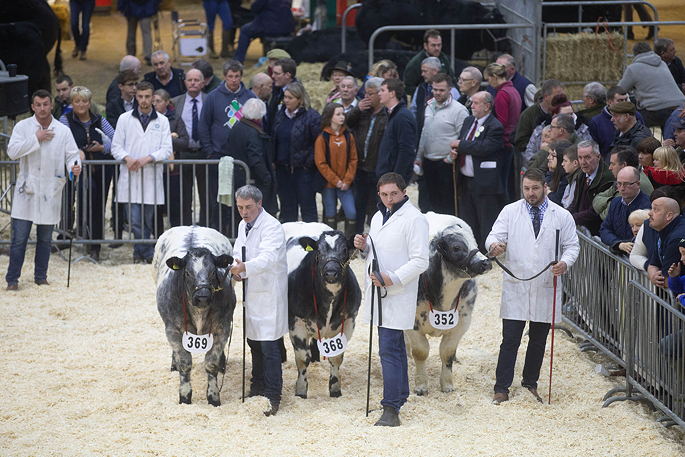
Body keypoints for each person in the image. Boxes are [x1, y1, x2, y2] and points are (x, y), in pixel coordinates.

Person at [485, 168, 579, 405]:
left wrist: (565, 263)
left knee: (538, 340)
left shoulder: (562, 215)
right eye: (526, 189)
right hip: (517, 283)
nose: (530, 193)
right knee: (510, 339)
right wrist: (495, 245)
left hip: (546, 283)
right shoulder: (510, 211)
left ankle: (530, 383)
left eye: (535, 188)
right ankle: (501, 387)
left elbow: (572, 246)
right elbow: (494, 235)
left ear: (545, 187)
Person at [353, 172, 429, 426]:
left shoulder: (415, 219)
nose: (388, 199)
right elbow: (378, 250)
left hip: (397, 292)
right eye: (384, 194)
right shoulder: (377, 217)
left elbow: (420, 260)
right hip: (379, 291)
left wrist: (392, 278)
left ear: (404, 192)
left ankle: (391, 408)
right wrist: (364, 247)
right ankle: (400, 395)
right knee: (393, 347)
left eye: (393, 194)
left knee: (388, 349)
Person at [5, 90, 81, 290]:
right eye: (37, 105)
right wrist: (36, 139)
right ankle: (12, 279)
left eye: (45, 104)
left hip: (50, 190)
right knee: (19, 239)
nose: (42, 108)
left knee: (45, 239)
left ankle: (41, 276)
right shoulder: (23, 127)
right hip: (27, 190)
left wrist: (74, 167)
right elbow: (12, 152)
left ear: (50, 105)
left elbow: (72, 155)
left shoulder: (62, 131)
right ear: (32, 106)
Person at [230, 185, 288, 417]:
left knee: (270, 345)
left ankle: (273, 394)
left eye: (249, 207)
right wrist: (236, 269)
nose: (244, 212)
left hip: (269, 293)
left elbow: (268, 258)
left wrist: (244, 267)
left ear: (259, 204)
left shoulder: (272, 226)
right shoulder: (243, 225)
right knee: (254, 342)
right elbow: (238, 250)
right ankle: (257, 385)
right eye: (240, 208)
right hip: (252, 292)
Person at [111, 81, 172, 263]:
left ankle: (139, 253)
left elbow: (166, 149)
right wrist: (127, 158)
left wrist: (149, 158)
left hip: (151, 175)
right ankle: (146, 253)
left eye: (147, 97)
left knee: (148, 218)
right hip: (130, 175)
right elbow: (116, 147)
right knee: (134, 219)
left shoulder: (162, 121)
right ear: (135, 96)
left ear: (153, 98)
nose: (144, 101)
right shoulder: (124, 119)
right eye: (140, 96)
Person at [59, 86, 116, 261]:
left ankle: (94, 246)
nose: (81, 104)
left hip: (100, 169)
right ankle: (66, 236)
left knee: (97, 205)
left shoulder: (100, 120)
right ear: (72, 103)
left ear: (90, 103)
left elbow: (116, 141)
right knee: (69, 202)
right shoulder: (65, 120)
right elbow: (61, 142)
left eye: (85, 101)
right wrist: (76, 152)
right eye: (77, 101)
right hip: (74, 169)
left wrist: (102, 147)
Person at [198, 60, 255, 230]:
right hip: (219, 156)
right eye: (230, 76)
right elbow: (203, 125)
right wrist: (209, 151)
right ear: (224, 77)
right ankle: (220, 230)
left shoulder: (250, 97)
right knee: (219, 199)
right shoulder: (213, 97)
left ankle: (238, 232)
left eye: (237, 76)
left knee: (241, 199)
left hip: (242, 158)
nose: (234, 80)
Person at [450, 91, 505, 251]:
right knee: (468, 217)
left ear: (487, 106)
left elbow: (485, 147)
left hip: (484, 181)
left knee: (485, 218)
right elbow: (463, 143)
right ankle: (471, 249)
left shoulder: (495, 126)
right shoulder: (468, 121)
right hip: (466, 178)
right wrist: (456, 152)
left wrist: (460, 145)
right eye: (471, 102)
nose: (471, 106)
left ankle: (486, 250)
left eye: (475, 103)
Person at [416, 72, 469, 215]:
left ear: (450, 90)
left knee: (445, 206)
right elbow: (423, 133)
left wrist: (450, 158)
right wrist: (418, 158)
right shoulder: (428, 106)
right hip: (427, 162)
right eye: (434, 89)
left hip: (446, 164)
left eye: (441, 90)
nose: (437, 93)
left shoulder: (459, 110)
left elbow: (463, 138)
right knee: (426, 205)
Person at [271, 81, 321, 223]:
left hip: (303, 171)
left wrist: (308, 163)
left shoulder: (312, 117)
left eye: (290, 98)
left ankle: (310, 244)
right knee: (287, 209)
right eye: (285, 97)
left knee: (308, 209)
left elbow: (318, 144)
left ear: (299, 99)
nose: (286, 100)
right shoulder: (280, 115)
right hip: (283, 170)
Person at [346, 77, 388, 234]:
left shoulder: (387, 114)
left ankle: (375, 239)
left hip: (377, 169)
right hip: (360, 169)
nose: (367, 97)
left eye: (370, 94)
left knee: (376, 208)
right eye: (365, 93)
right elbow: (346, 123)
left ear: (380, 94)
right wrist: (357, 109)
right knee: (358, 208)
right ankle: (354, 242)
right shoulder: (363, 111)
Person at [223, 98, 277, 215]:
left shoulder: (237, 127)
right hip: (253, 181)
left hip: (239, 178)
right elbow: (255, 158)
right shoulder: (253, 133)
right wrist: (267, 178)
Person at [618, 42, 685, 130]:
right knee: (672, 138)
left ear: (635, 54)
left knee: (634, 122)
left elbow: (619, 90)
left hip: (655, 109)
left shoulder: (633, 68)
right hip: (679, 106)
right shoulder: (662, 63)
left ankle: (643, 141)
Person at [170, 68, 207, 226]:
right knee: (184, 195)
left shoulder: (209, 100)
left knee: (206, 195)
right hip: (183, 154)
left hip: (205, 154)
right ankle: (185, 227)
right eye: (190, 80)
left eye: (196, 80)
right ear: (185, 82)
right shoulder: (175, 102)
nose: (193, 83)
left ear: (203, 82)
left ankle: (205, 226)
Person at [314, 103, 358, 236]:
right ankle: (330, 243)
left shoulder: (348, 136)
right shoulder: (322, 137)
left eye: (343, 113)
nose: (342, 117)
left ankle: (350, 243)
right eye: (338, 114)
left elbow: (353, 159)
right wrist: (336, 181)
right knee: (330, 213)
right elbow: (321, 163)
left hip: (345, 184)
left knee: (351, 212)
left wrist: (347, 180)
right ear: (330, 117)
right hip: (328, 185)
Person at [485, 62, 522, 200]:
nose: (489, 83)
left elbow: (500, 123)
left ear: (494, 76)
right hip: (511, 140)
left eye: (488, 79)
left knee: (503, 185)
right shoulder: (513, 90)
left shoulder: (502, 94)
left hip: (504, 143)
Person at [599, 167, 651, 255]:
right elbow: (604, 229)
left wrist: (620, 245)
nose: (622, 188)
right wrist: (618, 244)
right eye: (619, 184)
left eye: (627, 184)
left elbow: (645, 238)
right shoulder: (615, 202)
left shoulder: (647, 206)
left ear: (638, 184)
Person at [591, 147, 653, 221]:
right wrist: (609, 201)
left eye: (612, 164)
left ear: (623, 165)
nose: (610, 168)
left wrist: (606, 205)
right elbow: (596, 199)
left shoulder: (633, 183)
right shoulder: (623, 179)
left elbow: (607, 215)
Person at [569, 140, 614, 235]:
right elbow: (575, 202)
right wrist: (564, 215)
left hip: (596, 233)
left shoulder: (607, 178)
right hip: (581, 228)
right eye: (580, 158)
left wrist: (571, 218)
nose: (583, 162)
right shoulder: (581, 174)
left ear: (598, 157)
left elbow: (595, 211)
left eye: (587, 157)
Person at [376, 79, 417, 183]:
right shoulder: (392, 114)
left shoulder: (402, 117)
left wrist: (396, 177)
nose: (379, 93)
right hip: (387, 174)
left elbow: (406, 150)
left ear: (392, 93)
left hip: (393, 177)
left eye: (382, 90)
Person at [515, 80, 565, 160]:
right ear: (546, 97)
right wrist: (541, 146)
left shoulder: (564, 112)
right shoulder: (528, 115)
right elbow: (520, 143)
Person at [647, 197, 685, 288]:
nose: (649, 213)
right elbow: (653, 263)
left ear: (669, 216)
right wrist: (653, 275)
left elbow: (666, 282)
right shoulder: (663, 229)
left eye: (655, 210)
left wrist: (658, 278)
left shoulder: (676, 239)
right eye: (651, 208)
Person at [404, 29, 454, 97]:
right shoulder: (415, 63)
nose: (437, 48)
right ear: (425, 46)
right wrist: (424, 94)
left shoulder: (443, 58)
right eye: (433, 45)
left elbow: (452, 79)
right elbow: (408, 87)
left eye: (439, 45)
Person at [118, 0, 159, 65]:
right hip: (146, 8)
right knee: (146, 32)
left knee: (131, 32)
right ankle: (147, 56)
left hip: (131, 8)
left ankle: (131, 55)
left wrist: (122, 6)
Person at [266, 58, 297, 133]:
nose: (273, 76)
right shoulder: (277, 89)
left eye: (277, 73)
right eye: (273, 73)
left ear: (287, 75)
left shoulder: (296, 95)